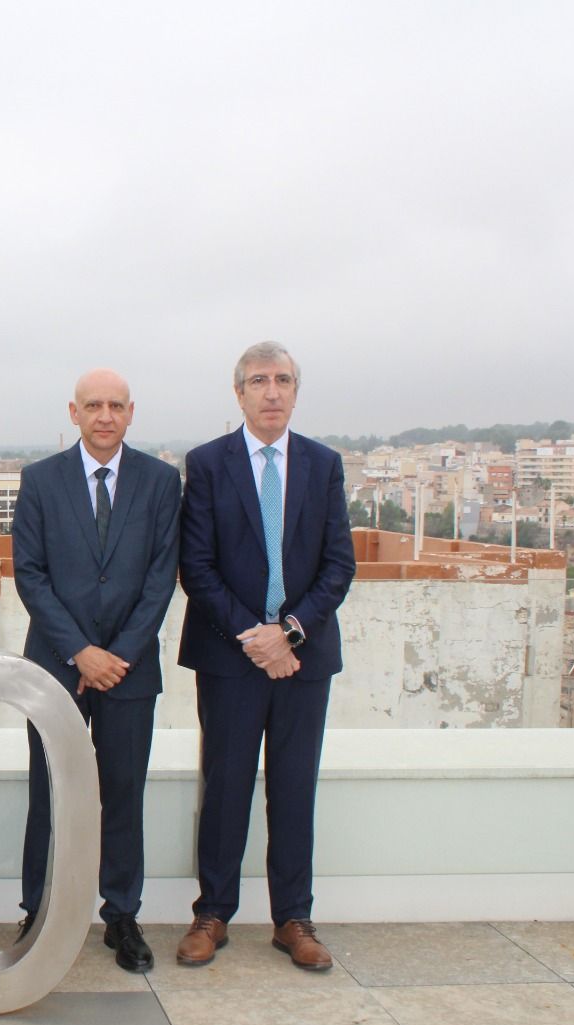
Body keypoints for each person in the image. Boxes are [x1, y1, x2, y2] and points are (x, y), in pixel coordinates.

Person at [176, 341, 356, 971]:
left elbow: (340, 564)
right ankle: (212, 914)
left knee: (294, 786)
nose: (272, 391)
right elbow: (196, 566)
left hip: (303, 660)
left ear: (296, 392)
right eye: (259, 380)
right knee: (223, 786)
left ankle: (294, 920)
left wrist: (291, 634)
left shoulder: (323, 464)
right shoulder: (206, 464)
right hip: (230, 658)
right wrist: (255, 636)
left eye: (282, 380)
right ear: (239, 393)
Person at [12, 368, 181, 973]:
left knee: (124, 793)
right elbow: (29, 574)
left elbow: (163, 575)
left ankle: (122, 915)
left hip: (130, 671)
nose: (104, 415)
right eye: (93, 405)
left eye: (115, 405)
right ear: (73, 412)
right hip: (56, 666)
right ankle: (37, 909)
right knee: (48, 791)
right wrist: (80, 651)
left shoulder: (161, 481)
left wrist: (119, 655)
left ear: (130, 413)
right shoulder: (39, 480)